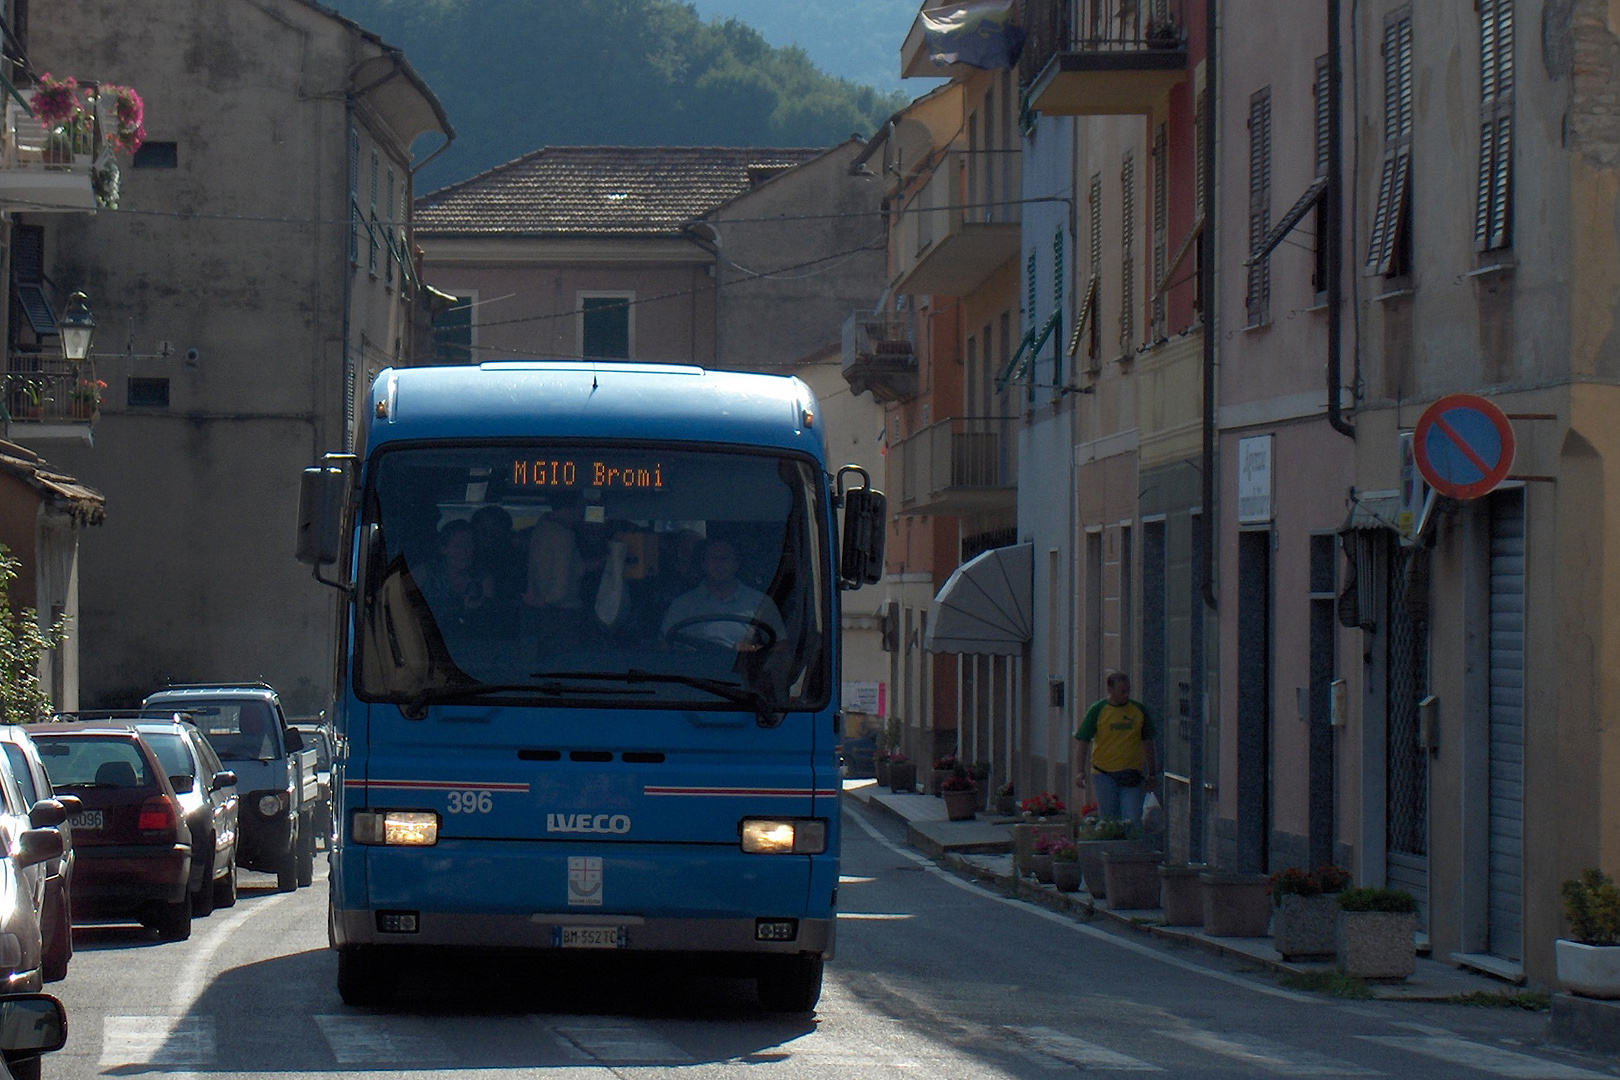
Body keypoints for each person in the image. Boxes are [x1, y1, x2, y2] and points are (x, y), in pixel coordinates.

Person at [660, 537, 785, 652]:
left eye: (724, 558)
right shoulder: (681, 604)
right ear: (703, 565)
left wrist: (753, 649)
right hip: (689, 673)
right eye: (712, 558)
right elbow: (663, 646)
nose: (719, 564)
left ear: (736, 564)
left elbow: (781, 646)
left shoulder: (759, 602)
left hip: (743, 672)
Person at [1074, 671, 1157, 824]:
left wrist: (1152, 773)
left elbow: (1147, 742)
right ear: (1110, 690)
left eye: (1128, 691)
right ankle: (1111, 846)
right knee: (1109, 821)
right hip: (1103, 773)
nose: (1126, 695)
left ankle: (1130, 846)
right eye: (1122, 691)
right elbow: (1083, 741)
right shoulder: (1098, 710)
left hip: (1131, 773)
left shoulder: (1138, 710)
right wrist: (1080, 771)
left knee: (1131, 819)